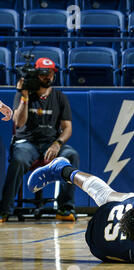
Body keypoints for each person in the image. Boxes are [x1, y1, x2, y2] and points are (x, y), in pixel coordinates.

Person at [0, 57, 80, 223]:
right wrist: (24, 97)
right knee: (18, 159)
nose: (47, 77)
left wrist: (57, 144)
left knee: (71, 154)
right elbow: (19, 122)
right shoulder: (23, 94)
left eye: (50, 73)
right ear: (36, 74)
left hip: (50, 143)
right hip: (26, 143)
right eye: (44, 73)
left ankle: (65, 207)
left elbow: (67, 128)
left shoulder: (59, 97)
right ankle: (5, 210)